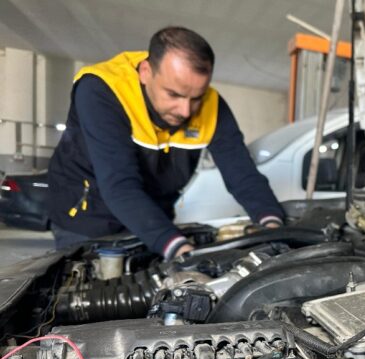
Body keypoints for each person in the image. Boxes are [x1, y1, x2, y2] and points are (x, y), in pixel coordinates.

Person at [46, 27, 285, 259]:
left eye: (196, 98)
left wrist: (272, 224)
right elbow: (119, 184)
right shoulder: (102, 90)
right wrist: (178, 249)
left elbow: (242, 173)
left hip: (153, 216)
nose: (185, 110)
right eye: (174, 94)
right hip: (86, 219)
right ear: (146, 72)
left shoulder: (212, 105)